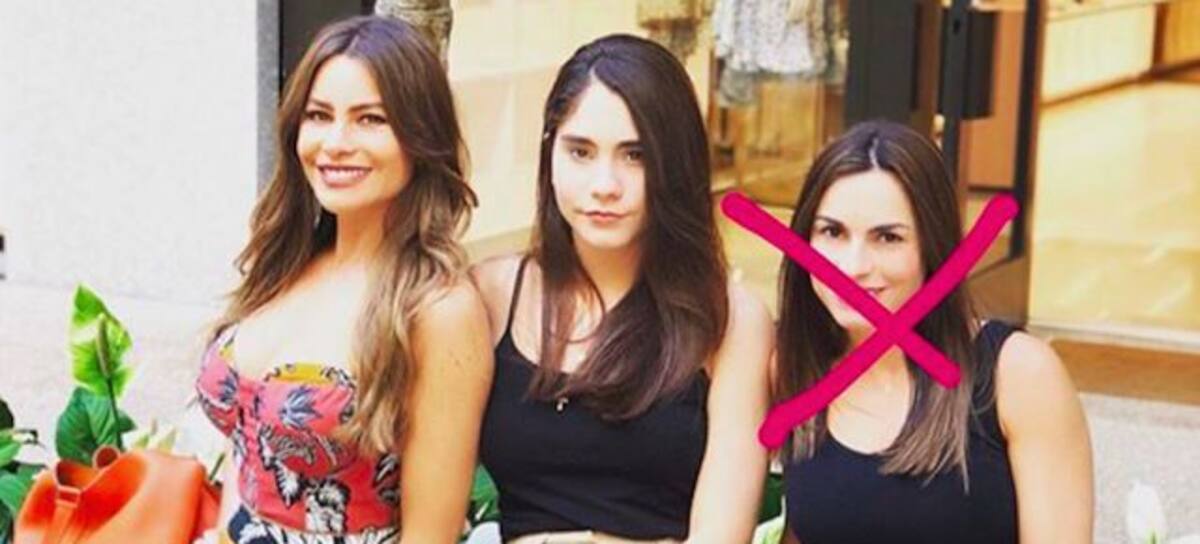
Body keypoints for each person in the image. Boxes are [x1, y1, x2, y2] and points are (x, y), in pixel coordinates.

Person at [194, 15, 492, 543]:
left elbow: (430, 536)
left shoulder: (437, 309)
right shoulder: (285, 262)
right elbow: (243, 456)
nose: (335, 142)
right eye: (319, 115)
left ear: (420, 136)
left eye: (370, 119)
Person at [470, 34, 773, 544]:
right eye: (580, 151)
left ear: (675, 164)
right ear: (549, 154)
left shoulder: (729, 320)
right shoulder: (492, 294)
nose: (605, 185)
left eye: (635, 155)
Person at [775, 120, 1093, 543]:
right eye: (832, 232)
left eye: (888, 238)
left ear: (933, 245)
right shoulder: (792, 369)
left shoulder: (1017, 374)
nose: (852, 266)